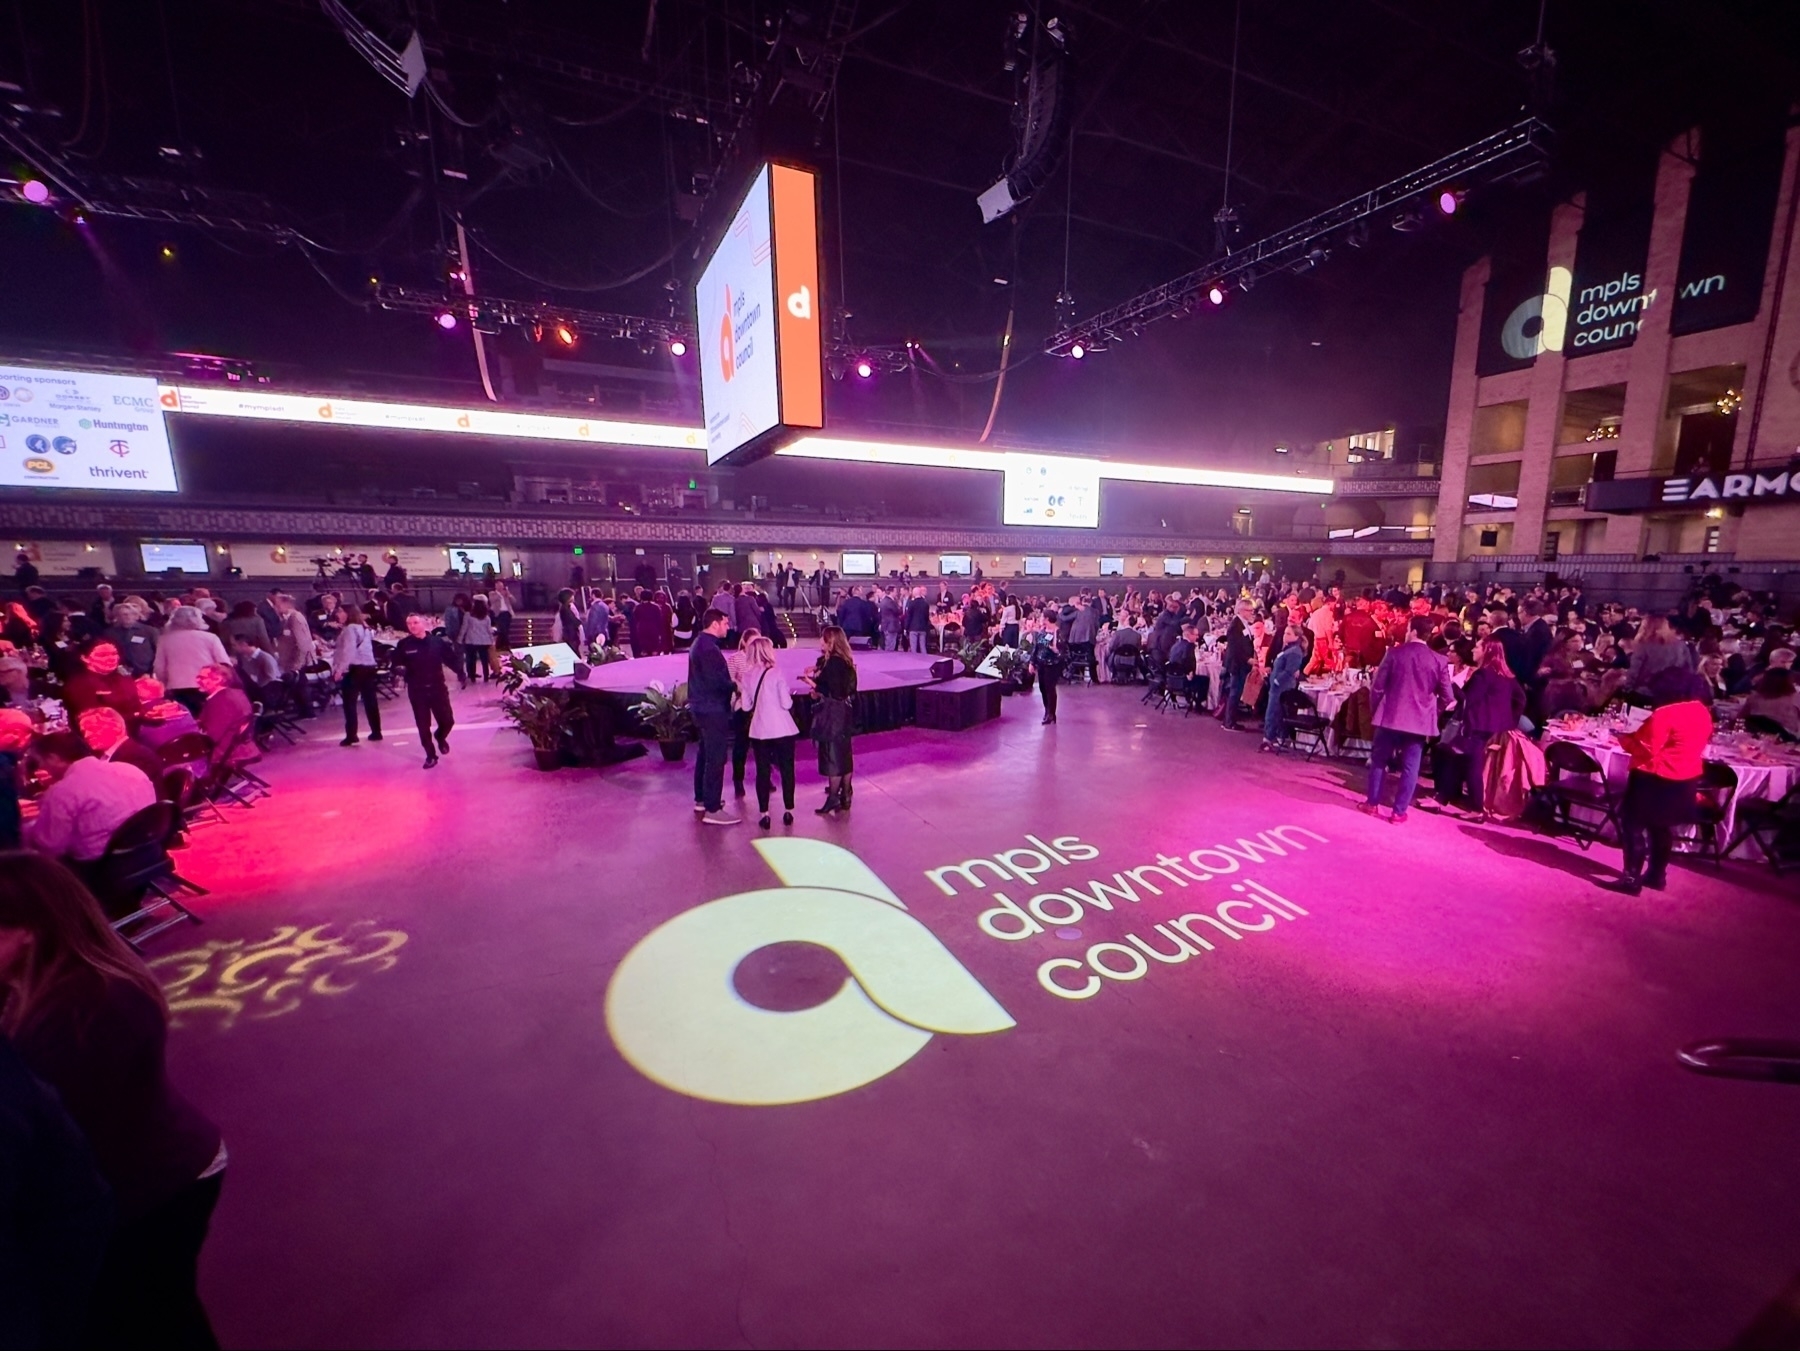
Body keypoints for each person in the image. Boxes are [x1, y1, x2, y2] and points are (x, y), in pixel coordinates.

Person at [0, 853, 225, 1347]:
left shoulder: (84, 1010)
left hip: (161, 1182)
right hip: (162, 1166)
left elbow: (49, 1141)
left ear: (29, 932)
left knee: (147, 1312)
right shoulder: (54, 988)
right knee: (162, 1308)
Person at [1606, 670, 1714, 894]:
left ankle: (1631, 879)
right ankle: (1657, 875)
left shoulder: (1664, 714)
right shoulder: (1701, 711)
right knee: (1661, 826)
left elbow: (1645, 749)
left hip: (1654, 776)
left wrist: (1623, 738)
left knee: (1633, 825)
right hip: (1685, 777)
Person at [1360, 616, 1454, 823]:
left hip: (1390, 717)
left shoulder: (1394, 654)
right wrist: (1432, 713)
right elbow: (1448, 696)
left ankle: (1372, 804)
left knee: (1379, 761)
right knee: (1411, 767)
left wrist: (1377, 711)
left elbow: (1377, 688)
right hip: (1419, 722)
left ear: (1412, 631)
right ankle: (1398, 812)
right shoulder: (1439, 660)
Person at [24, 733, 155, 876]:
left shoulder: (62, 791)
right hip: (148, 851)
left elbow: (49, 847)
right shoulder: (131, 770)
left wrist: (26, 828)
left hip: (102, 869)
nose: (42, 768)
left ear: (53, 758)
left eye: (41, 762)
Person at [1427, 638, 1524, 821]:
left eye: (1478, 647)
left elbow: (1468, 699)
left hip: (1476, 726)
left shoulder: (1483, 675)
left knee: (1469, 765)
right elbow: (1520, 699)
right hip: (1490, 728)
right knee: (1458, 760)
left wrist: (1450, 685)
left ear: (1487, 651)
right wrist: (1508, 721)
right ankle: (1442, 800)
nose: (1473, 649)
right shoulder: (1506, 675)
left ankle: (1475, 809)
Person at [735, 634, 799, 829]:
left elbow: (746, 707)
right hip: (782, 728)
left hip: (759, 729)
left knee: (762, 772)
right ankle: (788, 809)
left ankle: (764, 813)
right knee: (787, 769)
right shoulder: (776, 672)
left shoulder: (747, 675)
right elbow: (786, 703)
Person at [389, 611, 460, 768]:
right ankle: (430, 755)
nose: (412, 626)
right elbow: (395, 664)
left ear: (424, 624)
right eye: (409, 624)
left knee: (448, 720)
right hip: (417, 690)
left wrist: (461, 673)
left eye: (415, 623)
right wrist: (399, 670)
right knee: (423, 724)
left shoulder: (437, 642)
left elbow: (451, 659)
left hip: (437, 688)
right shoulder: (404, 645)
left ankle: (440, 736)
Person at [687, 608, 738, 825]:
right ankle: (713, 808)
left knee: (705, 755)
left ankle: (702, 799)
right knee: (716, 757)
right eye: (725, 623)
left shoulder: (700, 644)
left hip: (702, 707)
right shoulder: (709, 649)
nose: (728, 627)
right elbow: (716, 682)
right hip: (712, 709)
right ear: (715, 624)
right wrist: (735, 686)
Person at [802, 626, 858, 816]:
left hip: (832, 713)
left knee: (833, 755)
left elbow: (830, 689)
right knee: (845, 753)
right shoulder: (846, 661)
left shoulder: (833, 663)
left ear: (831, 641)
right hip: (844, 712)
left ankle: (833, 796)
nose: (820, 641)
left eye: (823, 639)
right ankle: (846, 794)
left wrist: (814, 687)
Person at [151, 607, 228, 715]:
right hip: (207, 686)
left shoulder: (165, 639)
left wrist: (165, 683)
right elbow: (224, 664)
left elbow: (159, 667)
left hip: (177, 686)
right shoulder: (211, 638)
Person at [331, 603, 382, 747]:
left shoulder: (349, 629)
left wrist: (340, 669)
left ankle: (351, 735)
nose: (337, 614)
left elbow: (348, 651)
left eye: (340, 611)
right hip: (369, 666)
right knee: (370, 700)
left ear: (348, 613)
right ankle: (376, 731)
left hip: (355, 668)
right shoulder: (364, 628)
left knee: (350, 703)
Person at [63, 640, 144, 726]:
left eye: (114, 654)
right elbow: (94, 720)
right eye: (103, 655)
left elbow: (138, 706)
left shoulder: (125, 679)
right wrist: (133, 716)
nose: (111, 658)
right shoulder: (78, 685)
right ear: (84, 658)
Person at [77, 706, 164, 784]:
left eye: (93, 728)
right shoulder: (106, 756)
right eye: (84, 732)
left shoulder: (137, 757)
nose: (86, 735)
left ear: (117, 727)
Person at [194, 663, 254, 757]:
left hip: (223, 751)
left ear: (218, 679)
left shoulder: (222, 702)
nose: (197, 681)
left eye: (202, 678)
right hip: (238, 746)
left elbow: (212, 736)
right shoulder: (236, 693)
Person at [0, 709, 30, 850]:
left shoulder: (10, 761)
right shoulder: (3, 763)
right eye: (14, 732)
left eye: (26, 733)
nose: (21, 739)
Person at [104, 601, 159, 678]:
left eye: (132, 614)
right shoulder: (110, 633)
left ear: (137, 616)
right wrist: (116, 667)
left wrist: (151, 672)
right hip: (120, 674)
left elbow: (158, 652)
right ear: (118, 617)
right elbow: (106, 653)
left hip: (145, 673)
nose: (128, 616)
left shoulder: (149, 631)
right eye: (124, 614)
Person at [1218, 617, 1254, 729]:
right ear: (1243, 611)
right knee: (1235, 692)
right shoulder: (1235, 626)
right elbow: (1235, 648)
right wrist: (1247, 659)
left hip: (1241, 664)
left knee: (1236, 692)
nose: (1252, 613)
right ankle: (1229, 722)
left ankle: (1230, 720)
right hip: (1237, 664)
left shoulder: (1243, 624)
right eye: (1249, 611)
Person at [1744, 667, 1800, 739]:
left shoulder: (1754, 698)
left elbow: (1741, 717)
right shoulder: (1795, 698)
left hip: (1758, 736)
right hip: (1787, 738)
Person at [460, 597, 495, 683]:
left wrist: (460, 638)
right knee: (484, 659)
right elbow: (489, 630)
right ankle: (486, 676)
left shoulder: (468, 615)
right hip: (484, 641)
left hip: (471, 640)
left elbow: (464, 628)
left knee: (471, 659)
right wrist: (492, 640)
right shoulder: (486, 617)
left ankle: (472, 677)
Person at [1033, 633, 1065, 725]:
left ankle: (1051, 714)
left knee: (1050, 688)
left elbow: (1063, 653)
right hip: (1041, 664)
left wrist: (1056, 651)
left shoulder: (1059, 635)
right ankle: (1047, 710)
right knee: (1042, 688)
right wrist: (1032, 662)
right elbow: (1036, 648)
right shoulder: (1041, 634)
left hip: (1052, 665)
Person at [488, 579, 515, 649]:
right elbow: (492, 600)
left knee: (506, 629)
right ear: (496, 586)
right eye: (499, 586)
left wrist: (508, 594)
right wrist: (500, 595)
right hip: (498, 613)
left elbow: (514, 601)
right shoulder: (492, 593)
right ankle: (505, 645)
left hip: (507, 613)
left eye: (501, 586)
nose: (500, 587)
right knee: (501, 629)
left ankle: (504, 645)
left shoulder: (506, 593)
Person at [904, 586, 932, 653]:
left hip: (913, 628)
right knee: (923, 647)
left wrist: (905, 628)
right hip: (923, 628)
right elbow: (926, 617)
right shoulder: (925, 604)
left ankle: (915, 661)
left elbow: (908, 617)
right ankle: (925, 660)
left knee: (913, 647)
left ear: (914, 594)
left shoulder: (911, 603)